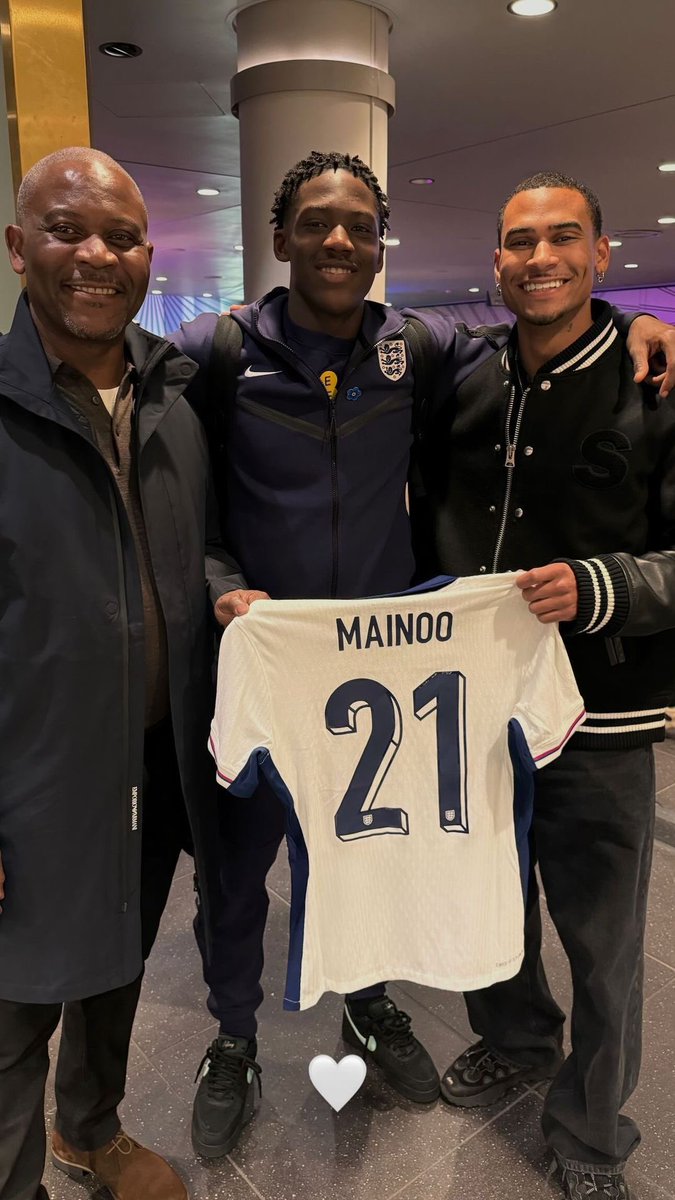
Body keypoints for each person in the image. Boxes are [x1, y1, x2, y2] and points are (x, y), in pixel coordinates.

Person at [173, 149, 675, 1162]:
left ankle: (399, 1024)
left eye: (359, 224)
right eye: (316, 222)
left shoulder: (433, 350)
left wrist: (641, 327)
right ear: (281, 239)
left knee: (395, 867)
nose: (339, 242)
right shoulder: (220, 349)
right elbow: (181, 500)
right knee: (255, 876)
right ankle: (234, 1040)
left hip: (456, 685)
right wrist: (222, 581)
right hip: (291, 668)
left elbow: (548, 333)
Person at [415, 170, 675, 1200]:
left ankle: (590, 1134)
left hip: (600, 714)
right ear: (496, 261)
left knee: (605, 948)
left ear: (602, 254)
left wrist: (602, 586)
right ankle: (517, 1038)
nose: (540, 257)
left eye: (564, 237)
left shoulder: (653, 384)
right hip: (475, 706)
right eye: (519, 241)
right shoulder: (468, 378)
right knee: (488, 907)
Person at [0, 147, 232, 1200]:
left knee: (118, 975)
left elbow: (200, 554)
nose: (96, 254)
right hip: (30, 784)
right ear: (17, 248)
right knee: (11, 1018)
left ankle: (89, 1131)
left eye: (122, 236)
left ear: (150, 254)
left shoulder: (176, 399)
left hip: (154, 764)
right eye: (65, 229)